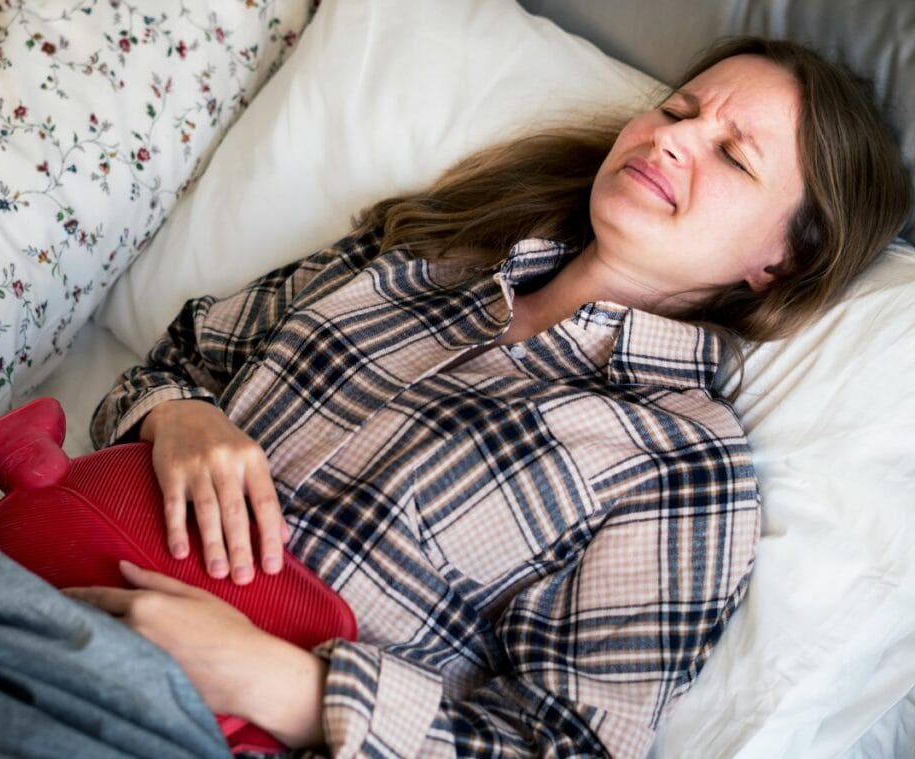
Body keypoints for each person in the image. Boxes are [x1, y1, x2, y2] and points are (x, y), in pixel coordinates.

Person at [61, 36, 908, 757]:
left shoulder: (682, 464)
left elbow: (566, 740)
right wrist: (181, 416)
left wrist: (286, 683)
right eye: (680, 110)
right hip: (24, 587)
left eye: (733, 154)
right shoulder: (419, 257)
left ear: (781, 258)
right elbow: (180, 354)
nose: (672, 141)